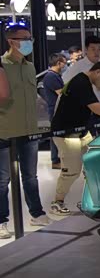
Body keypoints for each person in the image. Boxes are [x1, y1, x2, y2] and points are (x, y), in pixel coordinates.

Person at [50, 61, 100, 215]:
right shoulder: (81, 82)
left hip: (81, 131)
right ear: (98, 72)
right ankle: (57, 202)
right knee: (71, 171)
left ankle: (92, 200)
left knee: (92, 166)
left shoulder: (84, 81)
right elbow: (96, 108)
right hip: (66, 134)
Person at [0, 24, 51, 238]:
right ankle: (1, 221)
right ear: (11, 41)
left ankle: (36, 213)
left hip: (29, 131)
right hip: (5, 131)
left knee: (30, 176)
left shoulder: (30, 67)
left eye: (30, 38)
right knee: (2, 179)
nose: (29, 42)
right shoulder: (2, 66)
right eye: (24, 38)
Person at [62, 35, 100, 107]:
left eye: (99, 49)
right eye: (93, 49)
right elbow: (66, 84)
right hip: (84, 107)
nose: (96, 52)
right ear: (86, 50)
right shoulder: (78, 67)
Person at [41, 53, 67, 169]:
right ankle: (55, 160)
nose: (65, 66)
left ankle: (59, 159)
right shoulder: (51, 76)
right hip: (55, 110)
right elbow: (61, 93)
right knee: (56, 135)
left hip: (59, 109)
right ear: (58, 63)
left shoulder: (55, 76)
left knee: (59, 135)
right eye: (64, 63)